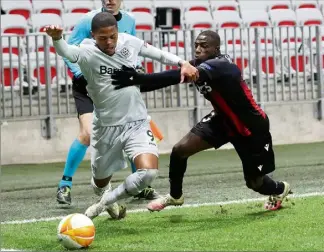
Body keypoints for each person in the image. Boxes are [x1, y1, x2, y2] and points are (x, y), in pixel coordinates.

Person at [111, 30, 292, 212]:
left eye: (204, 46)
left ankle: (280, 189)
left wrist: (138, 78)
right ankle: (175, 196)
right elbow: (170, 78)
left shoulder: (222, 65)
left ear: (216, 49)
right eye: (196, 45)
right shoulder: (197, 64)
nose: (198, 49)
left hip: (250, 128)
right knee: (180, 150)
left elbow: (177, 76)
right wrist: (135, 84)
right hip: (222, 120)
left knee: (255, 183)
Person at [45, 12, 197, 219]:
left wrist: (182, 62)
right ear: (93, 35)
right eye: (103, 38)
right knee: (99, 182)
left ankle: (104, 203)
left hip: (136, 122)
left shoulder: (129, 42)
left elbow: (158, 54)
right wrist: (56, 38)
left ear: (117, 32)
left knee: (148, 173)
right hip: (106, 127)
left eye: (113, 36)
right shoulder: (86, 51)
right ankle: (105, 196)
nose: (109, 42)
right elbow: (66, 51)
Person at [57, 0, 161, 206]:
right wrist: (83, 74)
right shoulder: (88, 20)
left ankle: (140, 186)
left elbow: (130, 48)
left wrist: (136, 70)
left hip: (116, 84)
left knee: (132, 126)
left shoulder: (129, 20)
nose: (109, 1)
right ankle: (65, 184)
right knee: (87, 134)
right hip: (87, 86)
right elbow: (69, 51)